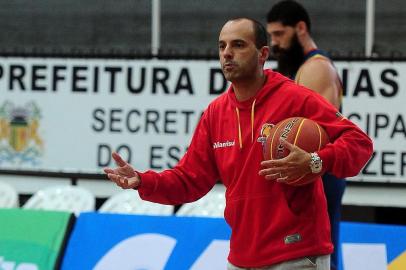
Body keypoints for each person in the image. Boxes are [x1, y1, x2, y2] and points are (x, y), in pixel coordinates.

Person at [104, 18, 373, 270]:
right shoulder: (215, 113)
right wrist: (142, 181)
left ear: (263, 54)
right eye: (222, 46)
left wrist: (316, 161)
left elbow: (359, 143)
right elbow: (189, 179)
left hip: (297, 253)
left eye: (238, 45)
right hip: (242, 256)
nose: (227, 53)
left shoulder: (295, 98)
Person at [266, 1, 346, 269]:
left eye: (280, 34)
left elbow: (316, 132)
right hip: (312, 169)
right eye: (271, 36)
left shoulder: (316, 68)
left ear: (300, 28)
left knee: (320, 253)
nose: (274, 43)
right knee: (316, 253)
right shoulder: (300, 68)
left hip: (318, 170)